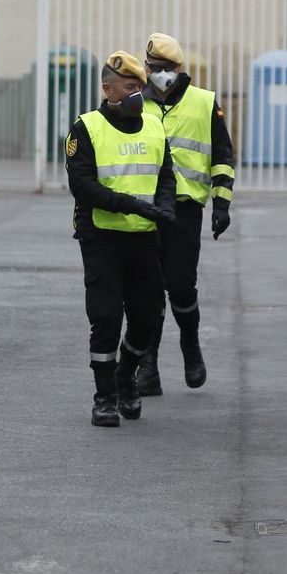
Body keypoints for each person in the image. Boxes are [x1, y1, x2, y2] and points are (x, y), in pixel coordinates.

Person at [65, 51, 177, 427]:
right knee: (106, 317)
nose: (136, 94)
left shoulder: (155, 127)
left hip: (145, 238)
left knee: (146, 319)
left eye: (140, 88)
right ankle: (105, 397)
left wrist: (164, 209)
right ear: (108, 89)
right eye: (130, 87)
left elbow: (165, 176)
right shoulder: (87, 128)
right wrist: (133, 205)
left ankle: (125, 376)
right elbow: (82, 186)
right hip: (101, 237)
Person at [131, 32, 236, 395]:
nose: (159, 73)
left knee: (179, 285)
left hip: (185, 208)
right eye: (153, 67)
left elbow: (222, 156)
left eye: (166, 68)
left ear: (178, 69)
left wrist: (221, 204)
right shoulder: (134, 103)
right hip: (143, 209)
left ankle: (190, 348)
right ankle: (148, 368)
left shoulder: (204, 103)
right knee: (146, 292)